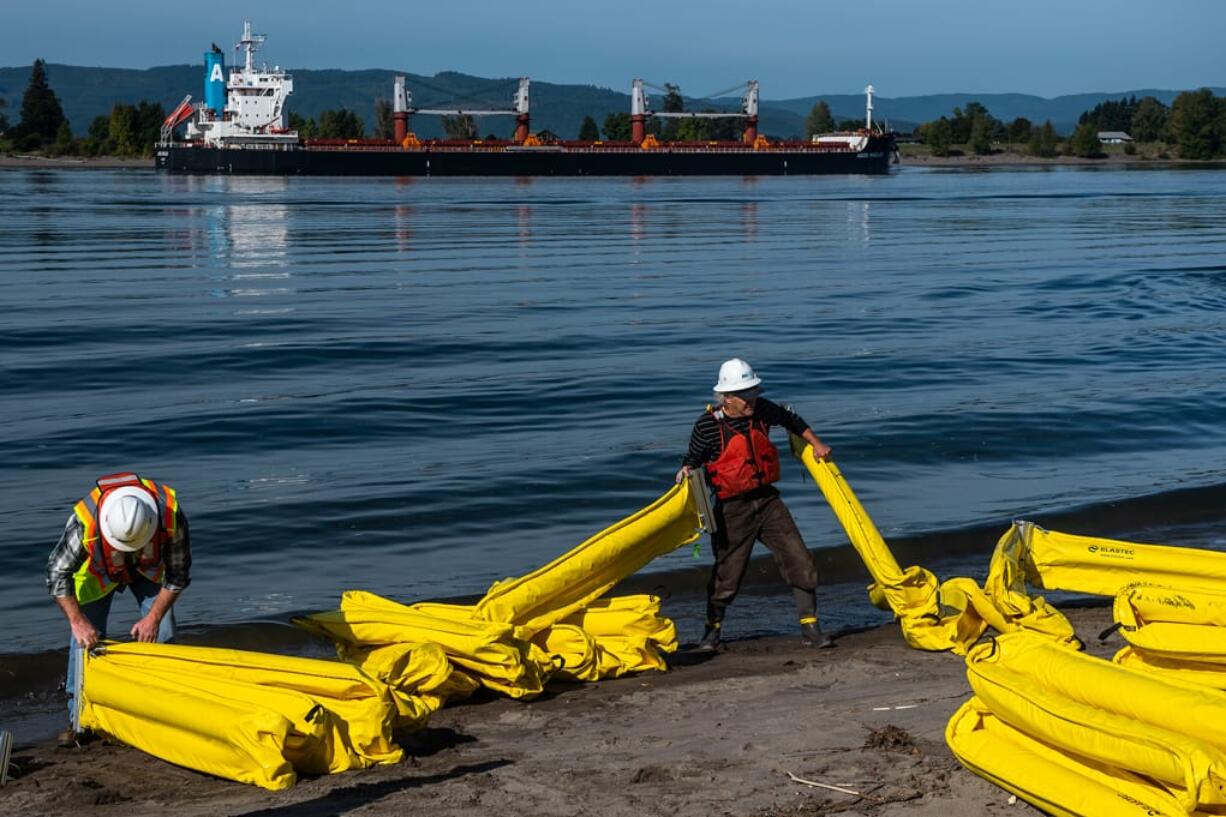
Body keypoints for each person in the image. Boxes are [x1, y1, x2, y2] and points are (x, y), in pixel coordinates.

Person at [676, 359, 834, 652]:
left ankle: (811, 629)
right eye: (745, 394)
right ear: (727, 398)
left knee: (800, 560)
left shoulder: (762, 409)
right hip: (732, 510)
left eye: (753, 390)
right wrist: (685, 472)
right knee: (728, 574)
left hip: (768, 501)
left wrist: (816, 443)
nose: (752, 398)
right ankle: (711, 634)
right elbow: (692, 460)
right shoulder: (707, 426)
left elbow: (793, 420)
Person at [46, 472, 192, 742]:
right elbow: (56, 575)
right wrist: (78, 622)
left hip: (148, 568)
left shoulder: (171, 515)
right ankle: (79, 718)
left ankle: (166, 710)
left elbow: (178, 575)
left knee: (163, 632)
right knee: (85, 642)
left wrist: (153, 617)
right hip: (98, 571)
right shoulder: (83, 524)